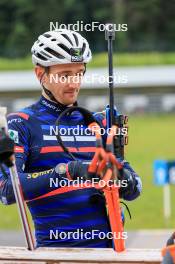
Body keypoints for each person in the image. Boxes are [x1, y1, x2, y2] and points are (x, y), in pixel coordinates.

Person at [0, 29, 142, 248]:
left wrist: (121, 177)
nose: (74, 83)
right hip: (56, 254)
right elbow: (7, 190)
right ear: (40, 74)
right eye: (65, 75)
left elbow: (135, 189)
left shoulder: (97, 122)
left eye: (79, 73)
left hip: (111, 254)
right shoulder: (21, 124)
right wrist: (69, 171)